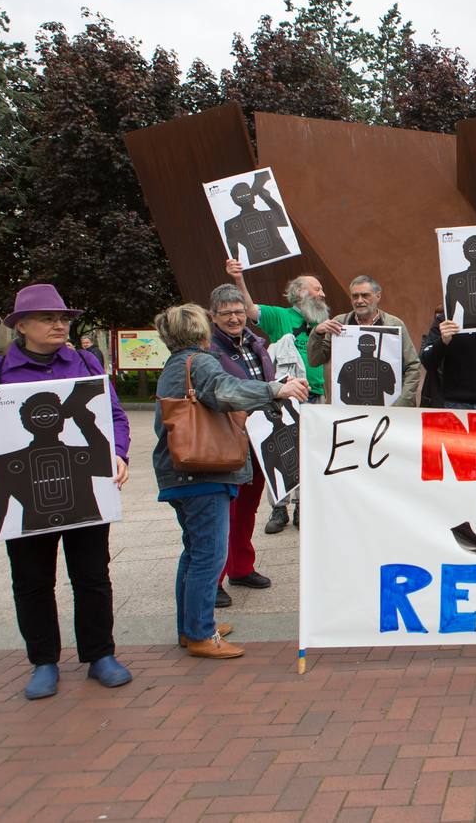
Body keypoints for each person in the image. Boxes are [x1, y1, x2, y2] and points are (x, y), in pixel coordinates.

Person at [0, 284, 132, 699]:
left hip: (84, 488)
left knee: (93, 576)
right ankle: (43, 661)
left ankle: (100, 655)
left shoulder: (83, 360)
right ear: (21, 326)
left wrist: (118, 454)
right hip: (28, 496)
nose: (60, 324)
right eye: (48, 318)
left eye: (63, 318)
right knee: (31, 581)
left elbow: (112, 414)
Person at [152, 304, 309, 659]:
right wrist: (274, 390)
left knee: (193, 553)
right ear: (200, 329)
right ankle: (200, 633)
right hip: (203, 471)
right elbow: (226, 391)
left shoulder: (176, 364)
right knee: (209, 553)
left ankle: (191, 625)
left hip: (179, 471)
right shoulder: (202, 361)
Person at [226, 258, 326, 534]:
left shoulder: (323, 321)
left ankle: (302, 508)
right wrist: (238, 279)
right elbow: (249, 309)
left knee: (309, 454)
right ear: (300, 293)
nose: (322, 294)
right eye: (317, 289)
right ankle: (279, 508)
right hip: (286, 396)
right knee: (281, 450)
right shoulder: (279, 316)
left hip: (315, 395)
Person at [206, 284, 278, 608]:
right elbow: (225, 391)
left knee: (248, 506)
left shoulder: (254, 342)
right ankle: (214, 579)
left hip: (259, 434)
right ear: (213, 316)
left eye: (238, 312)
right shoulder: (208, 349)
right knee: (226, 510)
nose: (235, 318)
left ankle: (241, 567)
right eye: (227, 313)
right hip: (228, 435)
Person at [306, 275, 420, 407]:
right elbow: (315, 360)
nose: (359, 300)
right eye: (355, 296)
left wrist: (402, 402)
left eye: (365, 295)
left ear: (378, 296)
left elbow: (412, 366)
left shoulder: (394, 324)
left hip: (388, 411)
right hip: (347, 412)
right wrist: (317, 333)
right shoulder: (339, 323)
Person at [222, 172, 293, 265]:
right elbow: (284, 220)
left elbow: (234, 256)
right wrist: (266, 197)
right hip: (282, 257)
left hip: (262, 262)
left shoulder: (230, 224)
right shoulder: (268, 215)